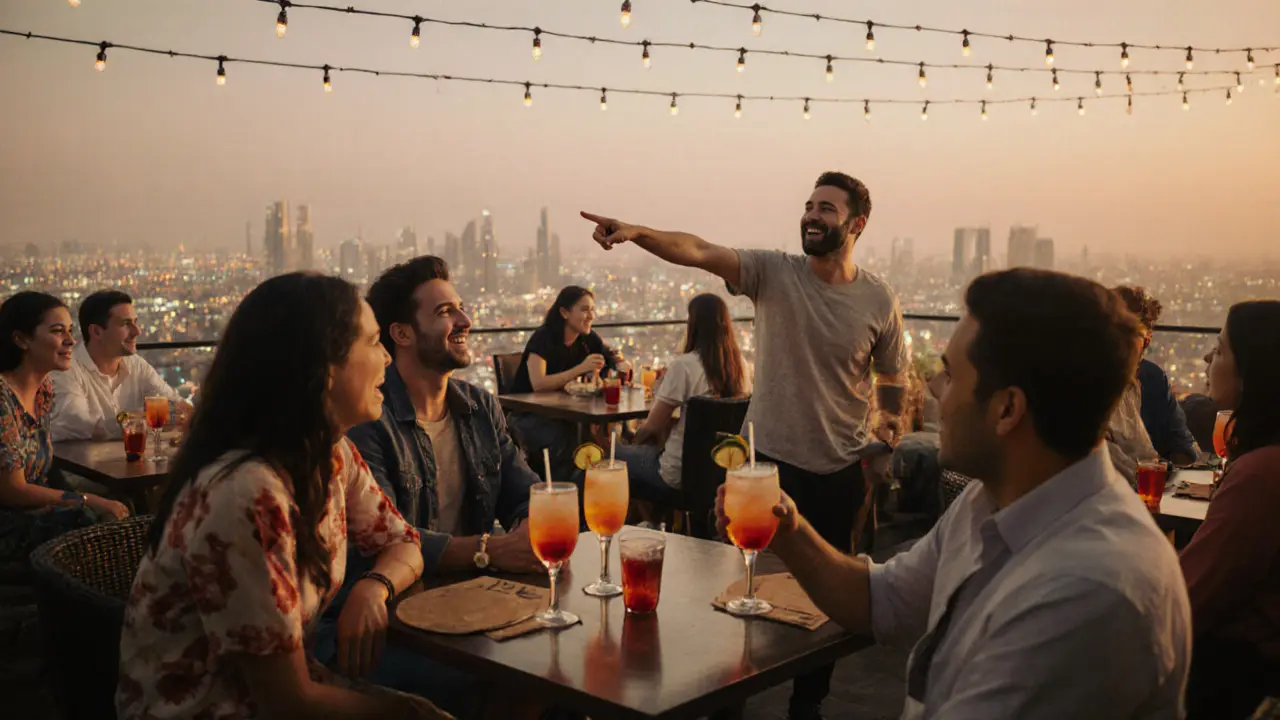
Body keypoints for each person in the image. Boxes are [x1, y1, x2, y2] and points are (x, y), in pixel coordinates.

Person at [720, 269, 1190, 718]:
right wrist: (790, 530)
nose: (933, 389)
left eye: (949, 374)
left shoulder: (1089, 592)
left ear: (1007, 409)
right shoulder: (991, 500)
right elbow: (880, 600)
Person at [584, 171, 906, 719]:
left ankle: (808, 705)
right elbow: (699, 250)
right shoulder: (774, 272)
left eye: (826, 208)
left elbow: (892, 375)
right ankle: (728, 701)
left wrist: (889, 430)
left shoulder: (879, 298)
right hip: (766, 469)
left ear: (857, 224)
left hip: (840, 471)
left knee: (824, 604)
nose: (811, 215)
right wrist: (638, 232)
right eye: (808, 205)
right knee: (742, 588)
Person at [116, 273, 445, 720]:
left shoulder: (330, 455)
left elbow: (404, 542)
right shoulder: (246, 493)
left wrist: (374, 587)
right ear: (324, 367)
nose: (387, 356)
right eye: (372, 342)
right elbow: (288, 702)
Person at [324, 256, 543, 717]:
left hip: (475, 607)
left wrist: (530, 530)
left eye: (460, 307)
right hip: (395, 618)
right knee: (511, 687)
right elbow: (385, 540)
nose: (465, 320)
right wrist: (492, 549)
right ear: (400, 334)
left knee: (563, 673)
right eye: (445, 312)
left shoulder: (480, 407)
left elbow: (528, 492)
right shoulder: (367, 420)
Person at [1180, 300, 1280, 719]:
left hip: (1240, 681)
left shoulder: (1261, 476)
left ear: (1251, 370)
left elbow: (1188, 599)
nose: (1207, 358)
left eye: (1220, 349)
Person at [0, 292, 129, 563]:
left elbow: (44, 474)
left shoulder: (42, 390)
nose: (71, 341)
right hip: (9, 521)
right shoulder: (3, 399)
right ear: (21, 339)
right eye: (58, 331)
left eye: (70, 331)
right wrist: (87, 499)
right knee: (91, 521)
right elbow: (12, 489)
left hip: (34, 509)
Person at [611, 293, 751, 507]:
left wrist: (633, 441)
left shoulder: (685, 365)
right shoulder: (741, 365)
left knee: (610, 454)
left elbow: (652, 427)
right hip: (722, 473)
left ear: (692, 324)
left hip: (677, 475)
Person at [508, 285, 626, 483]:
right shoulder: (543, 337)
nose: (591, 316)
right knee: (573, 438)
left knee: (612, 434)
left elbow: (610, 354)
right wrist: (580, 368)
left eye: (592, 310)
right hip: (529, 417)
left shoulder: (587, 338)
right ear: (564, 312)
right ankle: (565, 493)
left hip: (566, 415)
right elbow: (538, 384)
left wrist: (620, 361)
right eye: (584, 309)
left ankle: (594, 491)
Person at [49, 290, 190, 442]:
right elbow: (81, 423)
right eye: (126, 324)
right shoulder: (67, 370)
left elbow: (180, 407)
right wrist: (144, 418)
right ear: (96, 331)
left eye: (135, 322)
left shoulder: (136, 365)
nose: (137, 331)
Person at [1114, 285, 1199, 465]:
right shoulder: (1087, 382)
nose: (1119, 341)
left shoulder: (1152, 379)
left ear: (1147, 340)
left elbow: (1181, 445)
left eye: (1129, 332)